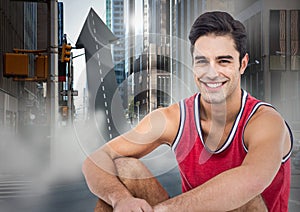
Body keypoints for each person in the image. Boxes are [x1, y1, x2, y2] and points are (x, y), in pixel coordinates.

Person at [82, 11, 293, 212]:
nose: (211, 73)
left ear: (242, 64)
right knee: (124, 168)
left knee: (245, 194)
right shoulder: (173, 118)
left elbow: (251, 180)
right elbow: (96, 159)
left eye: (223, 61)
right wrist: (121, 199)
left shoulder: (265, 121)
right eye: (202, 61)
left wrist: (162, 210)